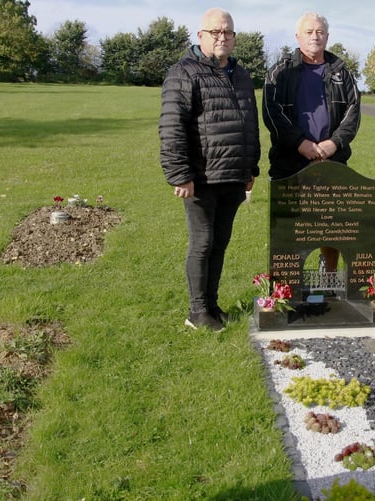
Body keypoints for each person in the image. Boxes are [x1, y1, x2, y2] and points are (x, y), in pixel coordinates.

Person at [159, 7, 260, 331]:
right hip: (201, 178)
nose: (222, 37)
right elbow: (172, 126)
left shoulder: (241, 74)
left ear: (234, 37)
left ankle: (212, 306)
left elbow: (250, 124)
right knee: (202, 243)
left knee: (219, 243)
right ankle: (197, 312)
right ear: (200, 35)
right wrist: (180, 174)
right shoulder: (183, 72)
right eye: (215, 32)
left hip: (234, 175)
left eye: (227, 32)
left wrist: (251, 167)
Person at [262, 11, 360, 273]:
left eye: (320, 32)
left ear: (327, 36)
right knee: (289, 229)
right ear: (298, 36)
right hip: (290, 163)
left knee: (332, 227)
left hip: (332, 162)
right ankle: (286, 285)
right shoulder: (279, 71)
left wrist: (334, 143)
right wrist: (300, 143)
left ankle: (326, 278)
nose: (315, 36)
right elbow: (272, 113)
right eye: (309, 31)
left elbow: (353, 113)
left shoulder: (342, 72)